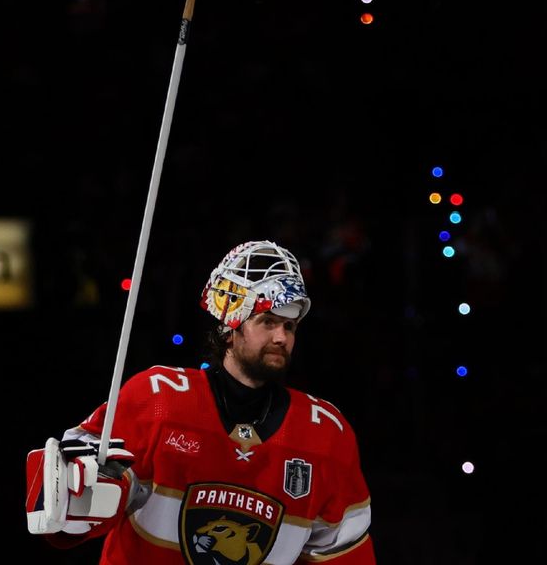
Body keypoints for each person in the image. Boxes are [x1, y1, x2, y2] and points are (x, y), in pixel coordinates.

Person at [26, 240, 376, 564]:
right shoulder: (157, 398)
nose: (281, 337)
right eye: (268, 321)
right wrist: (80, 494)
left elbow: (345, 555)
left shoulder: (327, 435)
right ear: (228, 324)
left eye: (290, 326)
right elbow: (62, 506)